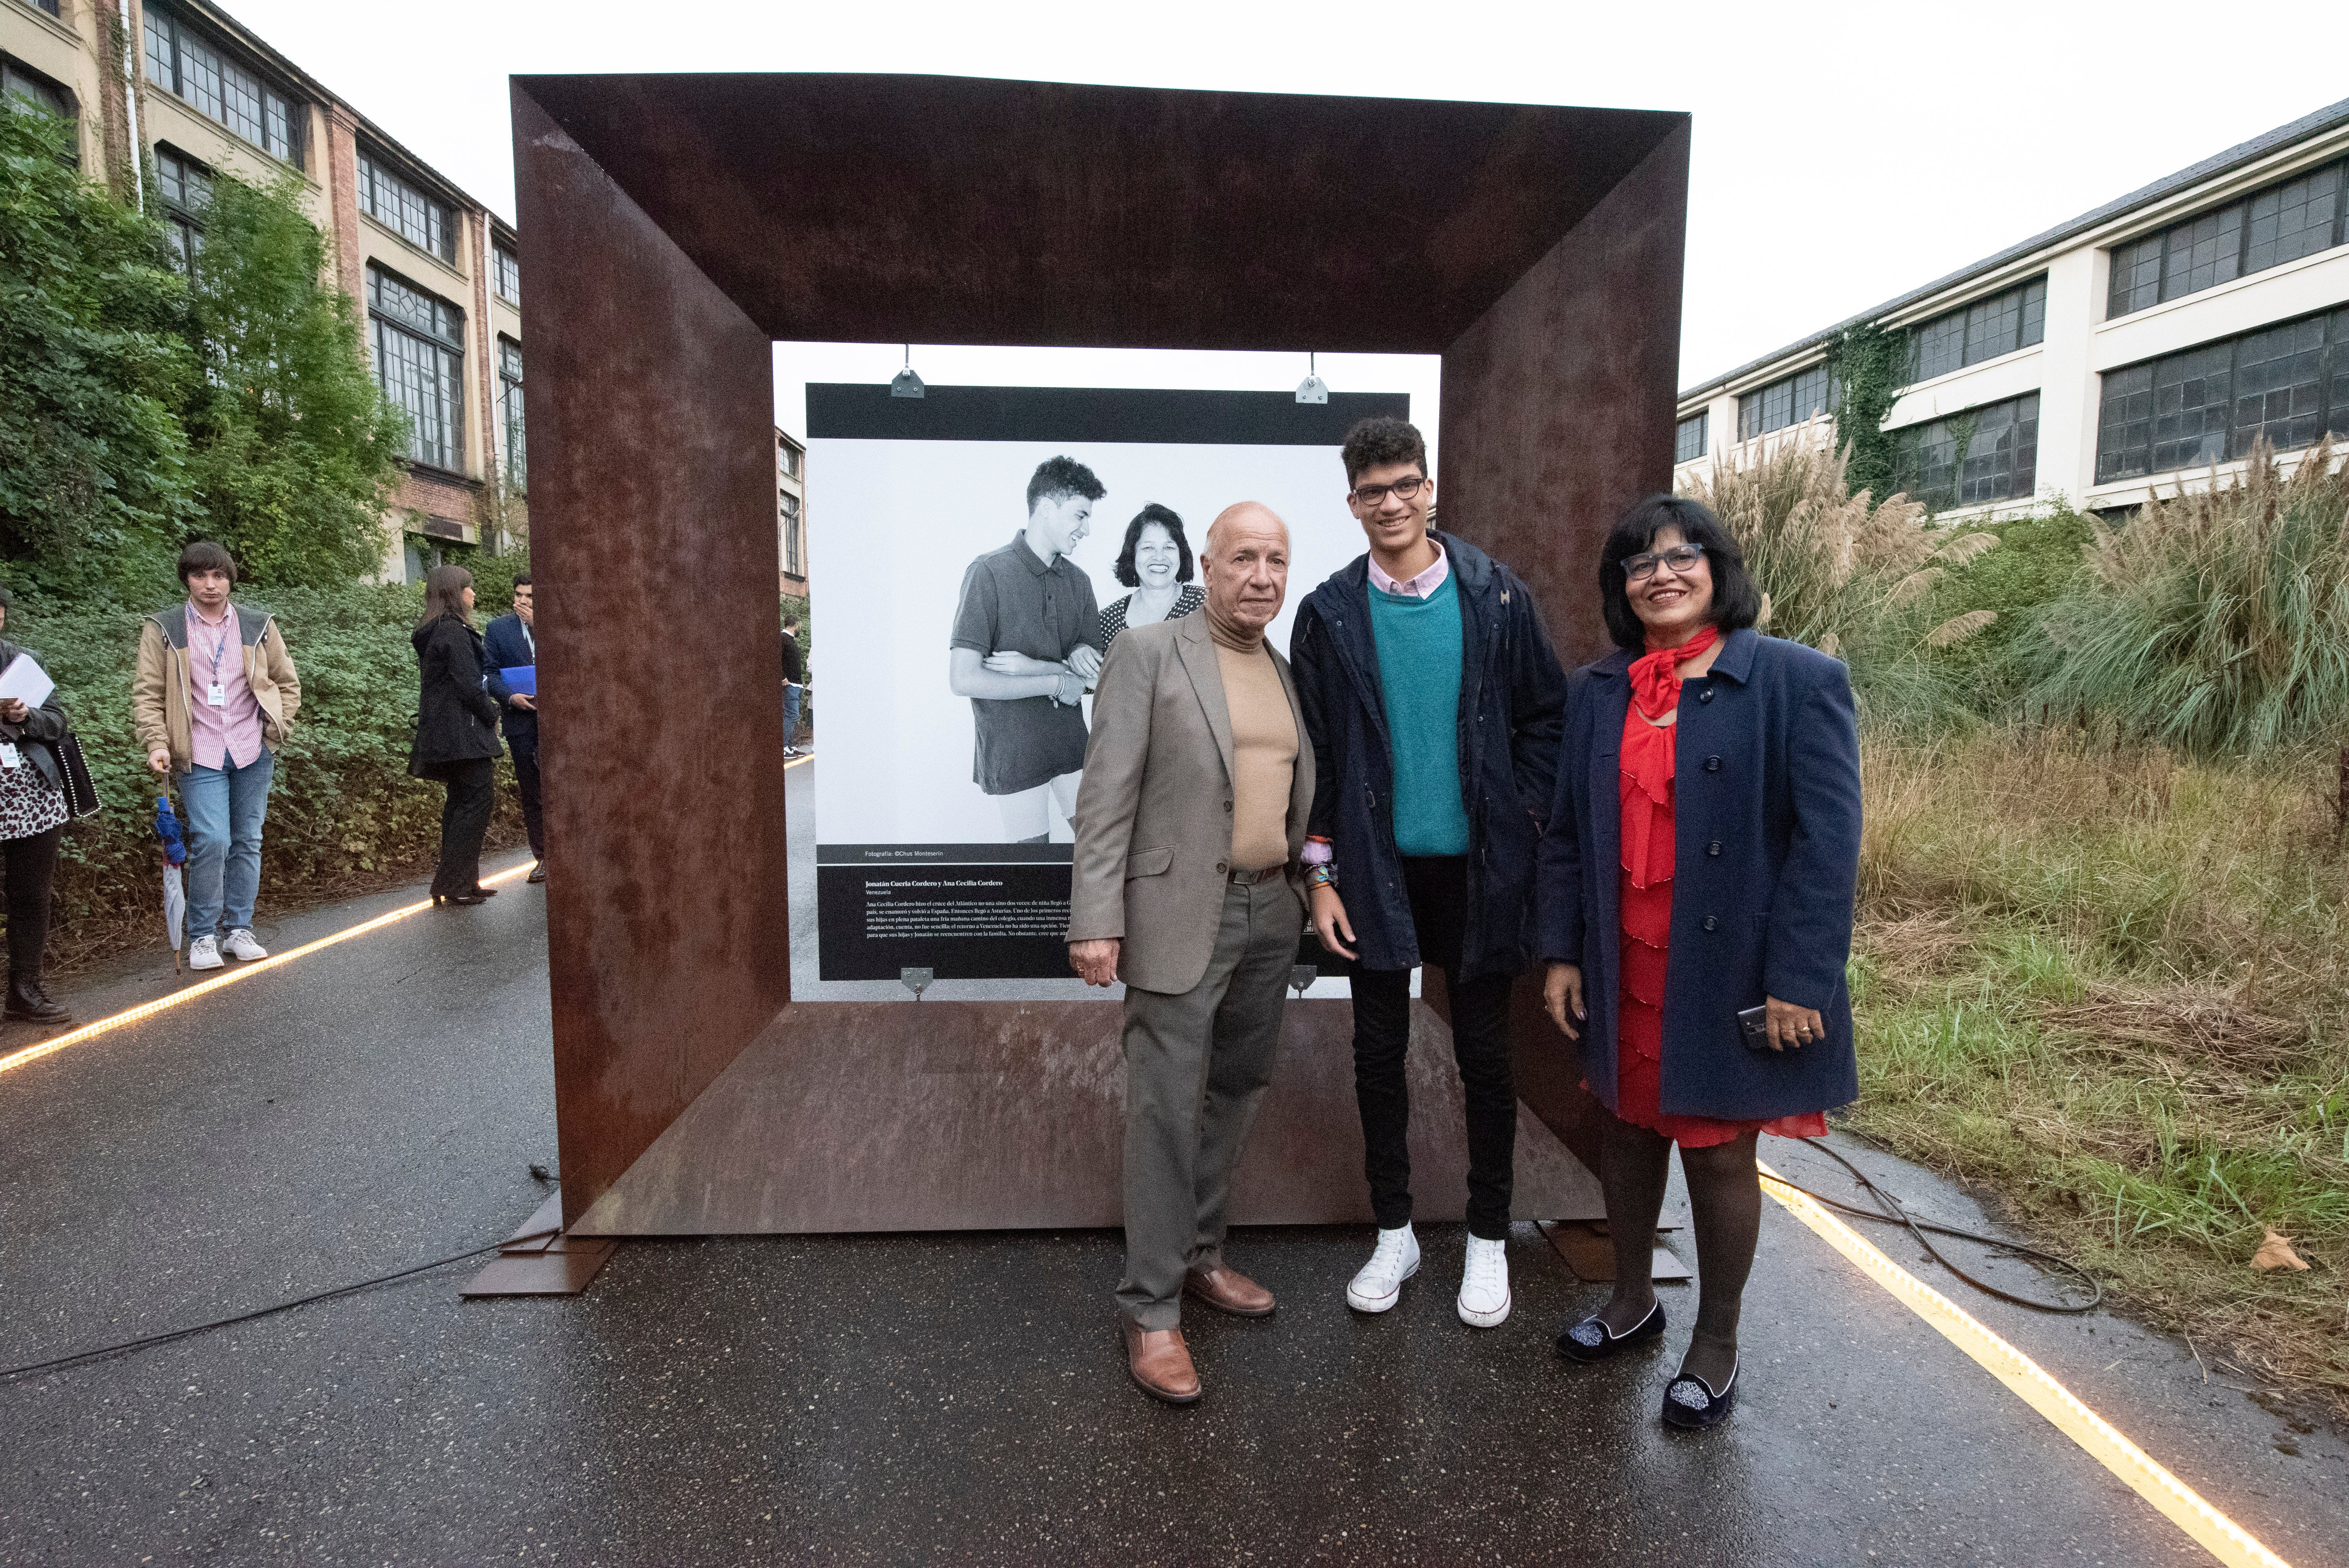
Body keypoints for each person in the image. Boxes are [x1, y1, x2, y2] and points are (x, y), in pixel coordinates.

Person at [1538, 494, 1861, 1431]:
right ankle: (1632, 1299)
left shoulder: (1798, 682)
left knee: (1719, 1155)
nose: (1662, 573)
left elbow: (1826, 842)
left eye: (1684, 555)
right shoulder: (1599, 688)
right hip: (1622, 957)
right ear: (1621, 587)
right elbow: (1564, 833)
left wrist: (1800, 978)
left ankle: (1714, 1342)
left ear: (1719, 570)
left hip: (1729, 967)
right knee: (1626, 1132)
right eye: (1640, 563)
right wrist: (1561, 951)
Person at [1291, 416, 1565, 1330]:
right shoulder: (1329, 612)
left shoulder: (1494, 596)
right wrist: (1320, 873)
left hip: (1480, 869)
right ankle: (1395, 1230)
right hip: (1374, 868)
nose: (1391, 502)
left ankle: (1487, 1239)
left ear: (1429, 488)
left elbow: (1543, 719)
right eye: (1373, 490)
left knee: (1486, 1055)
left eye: (1405, 483)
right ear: (1352, 503)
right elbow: (1317, 755)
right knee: (1377, 1056)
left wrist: (1520, 816)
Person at [1067, 502, 1313, 1405]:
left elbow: (1291, 798)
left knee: (1234, 1092)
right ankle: (1150, 1305)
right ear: (1206, 566)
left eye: (1276, 559)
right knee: (1166, 1108)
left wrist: (1307, 886)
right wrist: (1094, 917)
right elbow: (1104, 798)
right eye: (1243, 556)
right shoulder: (1147, 653)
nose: (1261, 575)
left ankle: (1201, 1253)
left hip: (1267, 912)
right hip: (1178, 918)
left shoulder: (1281, 671)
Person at [132, 541, 301, 972]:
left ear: (231, 579)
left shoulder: (256, 624)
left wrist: (277, 726)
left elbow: (286, 681)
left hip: (251, 746)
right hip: (198, 748)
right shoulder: (166, 628)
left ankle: (239, 928)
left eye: (219, 576)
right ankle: (203, 934)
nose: (211, 585)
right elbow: (149, 692)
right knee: (213, 839)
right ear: (187, 579)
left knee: (248, 839)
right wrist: (156, 741)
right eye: (200, 576)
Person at [948, 456, 1106, 842]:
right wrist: (1054, 681)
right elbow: (963, 677)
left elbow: (1094, 680)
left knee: (1103, 850)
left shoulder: (1080, 582)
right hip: (1014, 752)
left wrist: (1033, 666)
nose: (1086, 529)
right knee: (1031, 871)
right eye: (1080, 515)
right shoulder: (987, 572)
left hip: (1072, 747)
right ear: (1047, 507)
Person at [0, 586, 80, 1024]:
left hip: (32, 797)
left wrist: (25, 715)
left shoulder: (22, 662)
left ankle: (24, 989)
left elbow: (58, 721)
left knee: (31, 895)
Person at [408, 565, 504, 907]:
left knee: (460, 806)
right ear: (454, 593)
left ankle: (458, 881)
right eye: (469, 588)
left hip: (447, 734)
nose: (473, 594)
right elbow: (469, 684)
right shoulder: (453, 633)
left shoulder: (436, 630)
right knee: (475, 804)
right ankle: (456, 882)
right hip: (463, 734)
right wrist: (492, 715)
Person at [483, 576, 545, 884]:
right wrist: (509, 696)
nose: (522, 601)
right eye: (519, 595)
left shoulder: (556, 625)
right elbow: (489, 674)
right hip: (521, 722)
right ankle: (544, 857)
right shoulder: (498, 629)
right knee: (532, 792)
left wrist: (539, 625)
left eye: (530, 596)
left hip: (559, 725)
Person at [1096, 503, 1206, 649]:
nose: (1160, 557)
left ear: (1181, 554)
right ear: (1132, 555)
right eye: (1148, 548)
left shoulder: (1206, 604)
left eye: (1169, 547)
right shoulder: (1108, 620)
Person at [779, 613, 807, 757]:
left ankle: (790, 746)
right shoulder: (783, 639)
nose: (799, 629)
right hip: (790, 685)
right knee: (791, 715)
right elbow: (776, 659)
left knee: (792, 716)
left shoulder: (789, 640)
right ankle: (784, 747)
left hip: (795, 686)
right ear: (795, 625)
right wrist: (783, 678)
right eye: (799, 626)